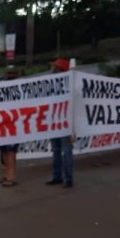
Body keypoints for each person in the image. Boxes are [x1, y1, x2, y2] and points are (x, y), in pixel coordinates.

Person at [45, 59, 74, 188]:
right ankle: (57, 176)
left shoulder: (70, 87)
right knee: (56, 150)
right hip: (54, 122)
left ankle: (68, 178)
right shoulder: (51, 86)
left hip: (65, 123)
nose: (52, 70)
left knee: (66, 151)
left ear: (60, 71)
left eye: (55, 68)